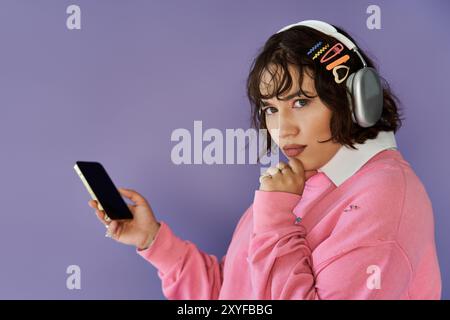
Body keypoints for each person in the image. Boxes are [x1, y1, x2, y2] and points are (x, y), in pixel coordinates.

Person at [88, 20, 441, 299]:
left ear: (356, 101)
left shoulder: (384, 199)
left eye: (300, 102)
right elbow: (236, 296)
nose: (282, 129)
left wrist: (275, 222)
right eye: (271, 108)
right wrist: (153, 241)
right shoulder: (302, 181)